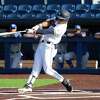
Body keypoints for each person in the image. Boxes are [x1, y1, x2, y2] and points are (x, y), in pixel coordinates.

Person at [18, 10, 73, 93]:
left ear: (66, 20)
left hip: (50, 47)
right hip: (42, 44)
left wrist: (34, 31)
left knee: (47, 70)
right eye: (58, 18)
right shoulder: (58, 19)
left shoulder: (62, 28)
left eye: (60, 19)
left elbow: (47, 31)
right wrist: (37, 26)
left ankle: (64, 81)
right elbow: (48, 22)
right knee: (36, 67)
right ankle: (29, 85)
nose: (58, 19)